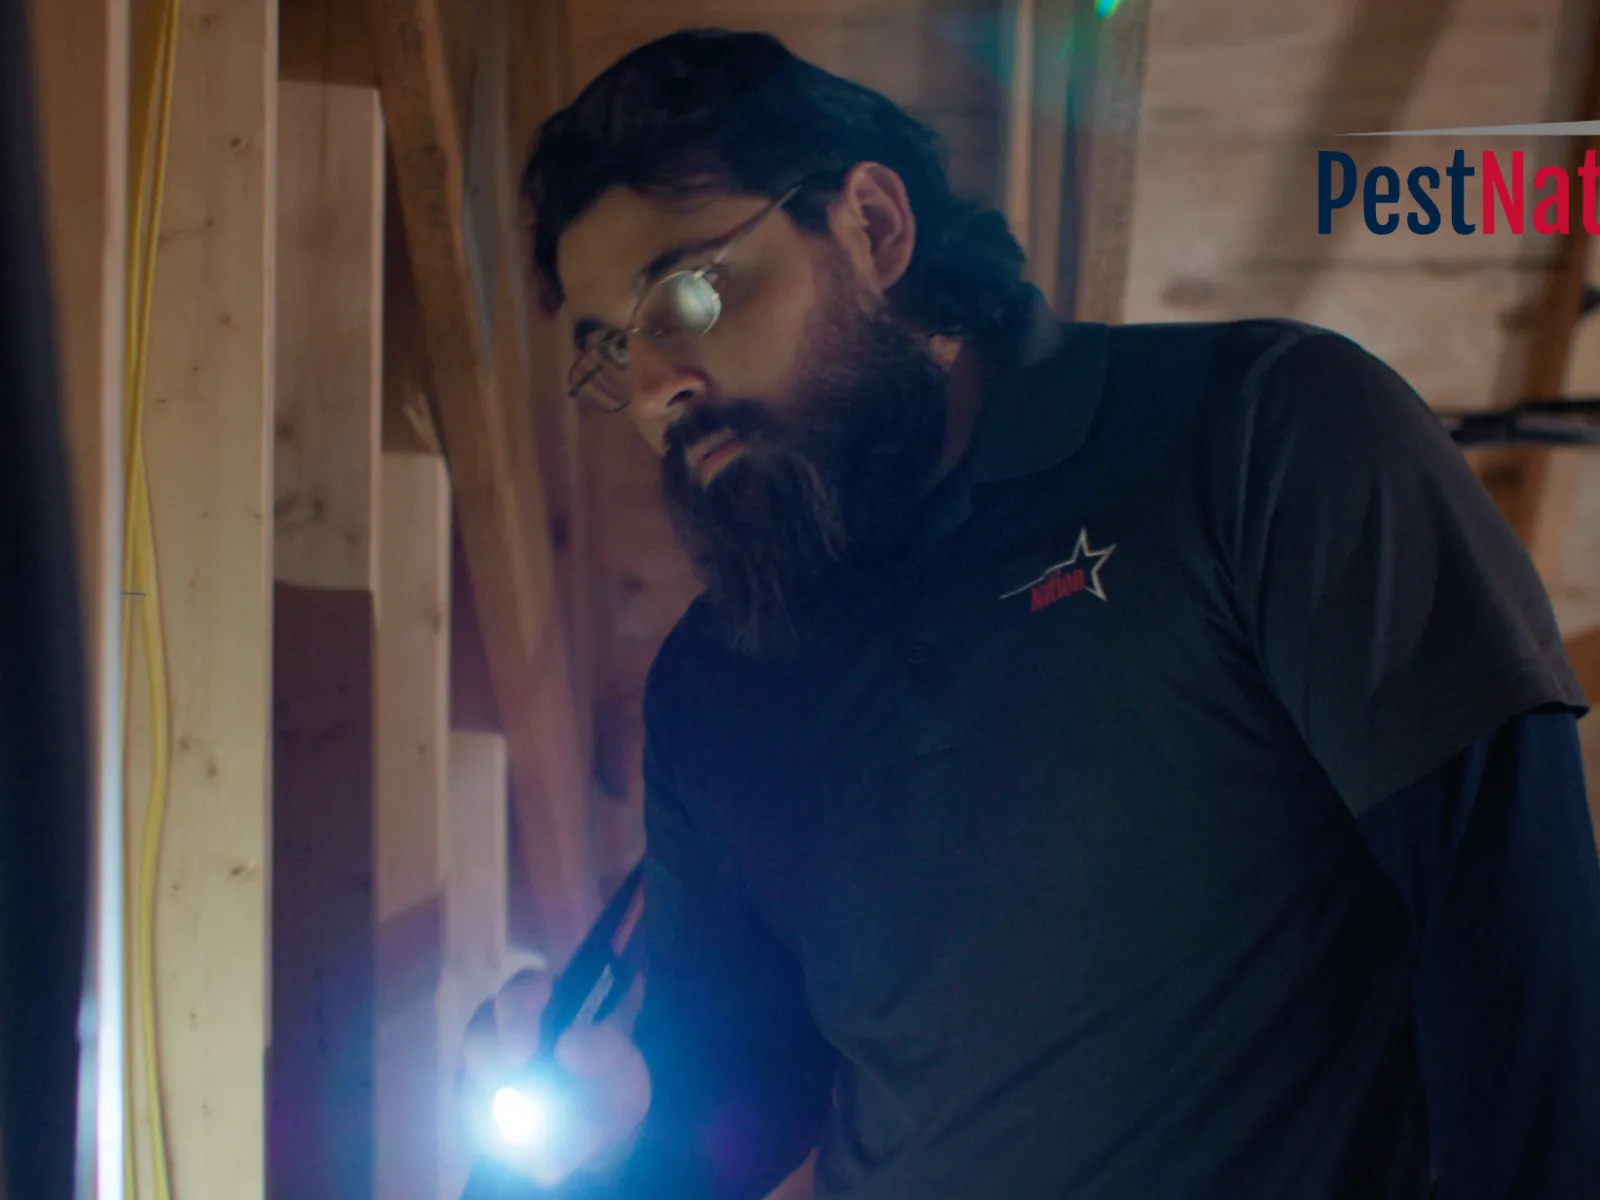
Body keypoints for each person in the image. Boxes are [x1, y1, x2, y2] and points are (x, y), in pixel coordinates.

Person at [464, 27, 1600, 1200]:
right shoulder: (715, 678)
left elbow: (1518, 944)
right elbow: (728, 1114)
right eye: (610, 352)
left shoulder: (1258, 430)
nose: (656, 391)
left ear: (872, 227)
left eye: (686, 294)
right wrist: (595, 1142)